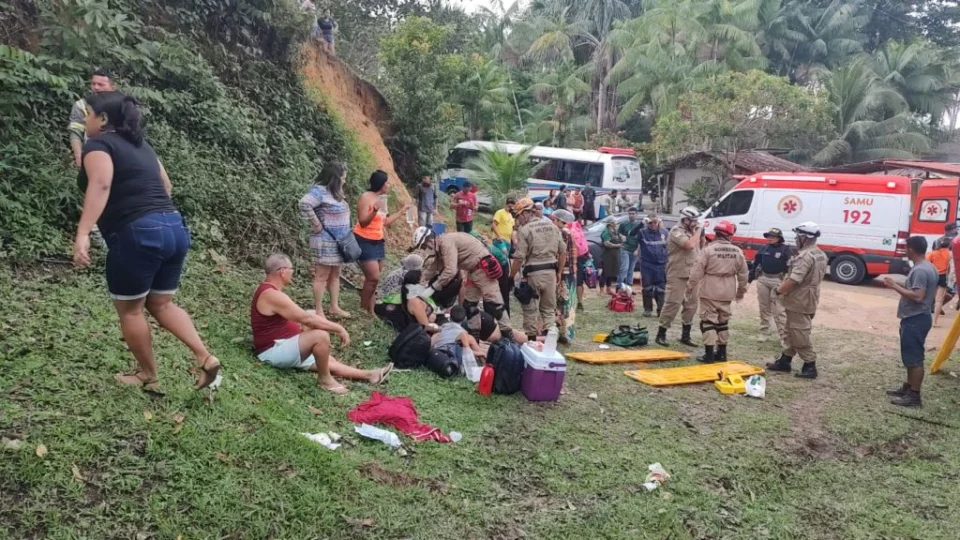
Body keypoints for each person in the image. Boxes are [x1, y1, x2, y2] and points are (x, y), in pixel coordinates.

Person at [72, 91, 219, 390]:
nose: (85, 120)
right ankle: (206, 357)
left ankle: (148, 375)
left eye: (88, 114)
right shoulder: (143, 146)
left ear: (103, 119)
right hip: (174, 226)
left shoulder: (98, 144)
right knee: (162, 304)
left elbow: (101, 183)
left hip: (138, 232)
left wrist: (83, 232)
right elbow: (166, 184)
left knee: (131, 310)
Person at [252, 254, 392, 395]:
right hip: (273, 351)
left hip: (284, 344)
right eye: (291, 269)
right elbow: (306, 319)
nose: (292, 272)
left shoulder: (271, 291)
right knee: (320, 336)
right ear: (282, 271)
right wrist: (338, 328)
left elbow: (302, 316)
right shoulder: (271, 295)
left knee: (327, 360)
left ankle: (370, 375)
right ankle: (325, 380)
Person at [413, 227, 522, 342]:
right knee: (469, 306)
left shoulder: (446, 243)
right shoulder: (440, 247)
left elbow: (450, 270)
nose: (424, 250)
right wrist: (418, 281)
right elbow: (434, 268)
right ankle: (474, 337)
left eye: (423, 247)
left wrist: (433, 287)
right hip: (472, 271)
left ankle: (509, 337)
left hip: (483, 269)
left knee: (495, 305)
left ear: (429, 241)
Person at [766, 222, 828, 379]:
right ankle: (785, 360)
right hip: (809, 296)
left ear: (804, 238)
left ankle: (810, 364)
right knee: (790, 330)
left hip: (800, 299)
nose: (795, 239)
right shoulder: (820, 253)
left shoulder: (805, 256)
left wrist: (779, 291)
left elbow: (794, 279)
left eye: (797, 236)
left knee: (799, 332)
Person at [884, 237, 938, 407]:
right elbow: (917, 288)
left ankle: (914, 396)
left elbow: (917, 296)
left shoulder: (920, 270)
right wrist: (897, 283)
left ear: (911, 249)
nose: (905, 250)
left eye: (906, 248)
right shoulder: (928, 267)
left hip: (916, 318)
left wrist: (895, 287)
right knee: (910, 356)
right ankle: (908, 388)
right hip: (917, 317)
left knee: (914, 358)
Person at [686, 221, 748, 363]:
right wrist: (740, 293)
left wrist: (690, 288)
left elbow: (696, 272)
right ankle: (722, 353)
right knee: (723, 322)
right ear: (730, 235)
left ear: (716, 233)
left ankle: (709, 355)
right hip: (728, 290)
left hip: (710, 289)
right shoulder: (737, 251)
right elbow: (744, 275)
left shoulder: (708, 250)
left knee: (708, 322)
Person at [354, 170, 412, 314]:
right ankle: (363, 309)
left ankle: (371, 310)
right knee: (373, 277)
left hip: (378, 241)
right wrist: (374, 210)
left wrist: (401, 211)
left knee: (374, 280)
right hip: (364, 240)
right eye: (387, 182)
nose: (389, 185)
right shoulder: (366, 197)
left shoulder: (382, 199)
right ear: (381, 183)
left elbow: (385, 222)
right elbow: (362, 222)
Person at [299, 162, 352, 319]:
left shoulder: (336, 192)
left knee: (335, 275)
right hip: (325, 241)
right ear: (335, 178)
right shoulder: (319, 191)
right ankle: (319, 310)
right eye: (343, 178)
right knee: (322, 276)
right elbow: (304, 203)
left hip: (339, 242)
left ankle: (334, 306)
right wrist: (317, 225)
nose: (344, 181)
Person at [510, 198, 566, 339]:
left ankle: (531, 340)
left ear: (525, 213)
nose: (518, 220)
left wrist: (510, 276)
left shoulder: (525, 230)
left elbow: (519, 257)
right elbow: (563, 252)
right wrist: (559, 272)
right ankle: (551, 337)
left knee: (530, 309)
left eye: (518, 216)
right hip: (551, 273)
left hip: (534, 274)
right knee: (548, 310)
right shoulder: (553, 227)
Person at [655, 207, 702, 347]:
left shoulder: (692, 232)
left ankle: (685, 335)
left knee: (691, 305)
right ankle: (661, 333)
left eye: (696, 221)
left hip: (692, 274)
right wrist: (699, 230)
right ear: (685, 220)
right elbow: (689, 245)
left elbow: (699, 248)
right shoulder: (676, 231)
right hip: (677, 273)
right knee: (673, 303)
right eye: (693, 221)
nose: (696, 223)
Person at [751, 228, 792, 344]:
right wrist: (750, 279)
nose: (769, 238)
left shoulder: (786, 249)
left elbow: (791, 267)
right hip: (763, 279)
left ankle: (784, 337)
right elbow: (756, 264)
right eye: (768, 236)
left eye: (772, 236)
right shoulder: (764, 248)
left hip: (778, 280)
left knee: (779, 310)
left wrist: (787, 281)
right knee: (764, 307)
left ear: (779, 238)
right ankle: (764, 331)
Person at [68, 68, 116, 168]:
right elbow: (75, 131)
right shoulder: (81, 105)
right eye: (93, 84)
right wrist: (79, 157)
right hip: (92, 154)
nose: (96, 87)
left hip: (117, 154)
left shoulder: (121, 106)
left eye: (101, 85)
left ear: (112, 87)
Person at [551, 209, 578, 342]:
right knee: (567, 302)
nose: (552, 222)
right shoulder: (569, 231)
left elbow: (561, 253)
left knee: (563, 302)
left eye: (554, 220)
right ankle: (566, 332)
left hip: (564, 271)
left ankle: (564, 333)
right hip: (570, 271)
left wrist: (558, 271)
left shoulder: (562, 233)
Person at [637, 213, 668, 317]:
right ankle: (648, 309)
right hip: (647, 265)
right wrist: (641, 223)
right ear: (647, 223)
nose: (653, 224)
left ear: (658, 222)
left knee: (661, 289)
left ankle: (661, 310)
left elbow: (669, 247)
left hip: (661, 265)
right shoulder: (642, 232)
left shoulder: (664, 232)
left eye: (655, 222)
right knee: (647, 288)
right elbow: (631, 234)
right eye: (650, 223)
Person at [926, 237, 950, 327]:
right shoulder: (950, 254)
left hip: (933, 275)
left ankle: (925, 318)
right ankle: (935, 322)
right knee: (939, 300)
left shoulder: (933, 253)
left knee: (929, 297)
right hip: (943, 277)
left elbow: (926, 262)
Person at [617, 207, 642, 291]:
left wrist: (637, 249)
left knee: (631, 269)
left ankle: (629, 287)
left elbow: (640, 239)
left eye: (633, 214)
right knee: (624, 268)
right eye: (630, 214)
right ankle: (619, 286)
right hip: (625, 248)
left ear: (636, 214)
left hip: (634, 250)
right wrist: (621, 237)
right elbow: (619, 233)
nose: (631, 215)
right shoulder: (624, 224)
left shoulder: (639, 225)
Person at [600, 220, 623, 295]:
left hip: (614, 254)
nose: (616, 224)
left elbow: (620, 239)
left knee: (611, 271)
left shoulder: (615, 231)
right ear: (610, 223)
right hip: (607, 255)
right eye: (614, 222)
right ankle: (601, 289)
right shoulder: (606, 232)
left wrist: (622, 238)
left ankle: (608, 288)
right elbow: (607, 243)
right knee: (605, 272)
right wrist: (617, 245)